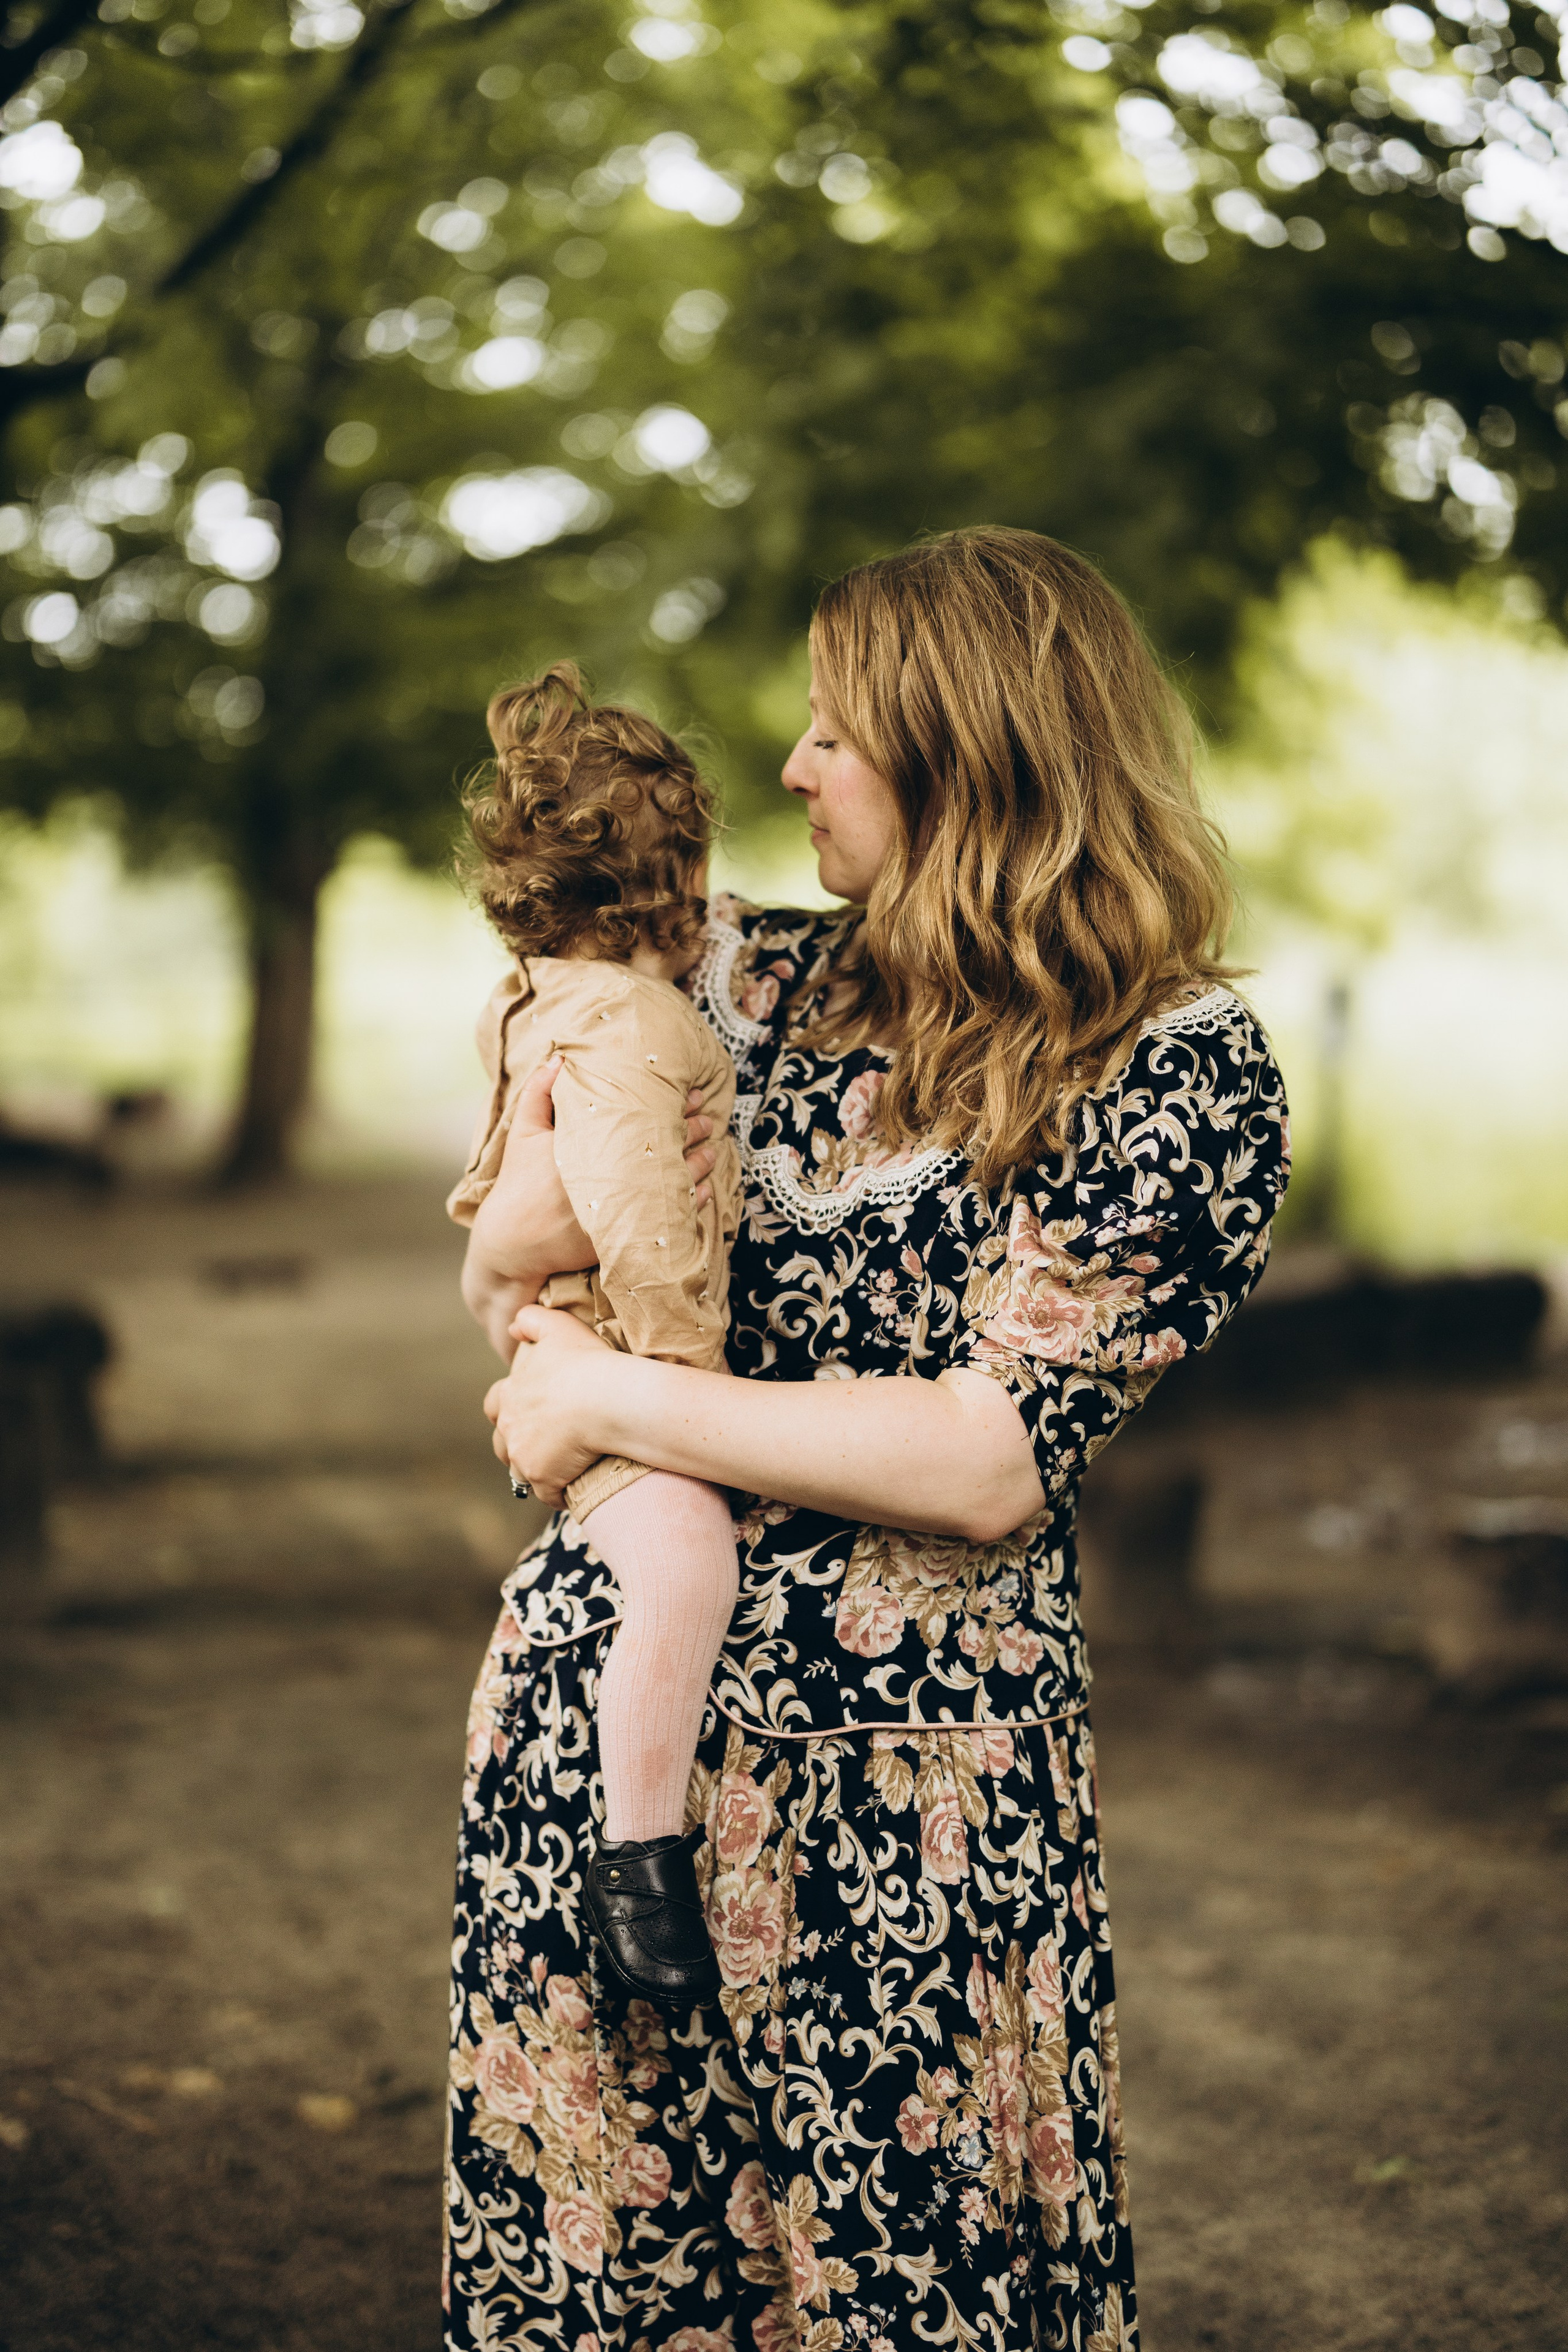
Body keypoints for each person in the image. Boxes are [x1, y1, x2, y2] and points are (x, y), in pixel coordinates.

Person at [445, 527, 1290, 2352]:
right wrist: (541, 1307)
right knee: (613, 2291)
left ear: (970, 753)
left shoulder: (1170, 1068)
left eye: (840, 730)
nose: (796, 766)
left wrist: (613, 1400)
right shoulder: (738, 988)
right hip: (602, 1752)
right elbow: (527, 1240)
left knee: (908, 2296)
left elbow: (989, 1456)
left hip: (908, 1812)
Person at [447, 663, 741, 2005]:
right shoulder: (634, 1017)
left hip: (559, 1336)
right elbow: (627, 1204)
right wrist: (684, 1373)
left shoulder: (536, 995)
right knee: (685, 1558)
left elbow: (497, 1188)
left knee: (669, 1556)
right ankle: (641, 1860)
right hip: (615, 1348)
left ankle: (638, 1853)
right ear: (668, 889)